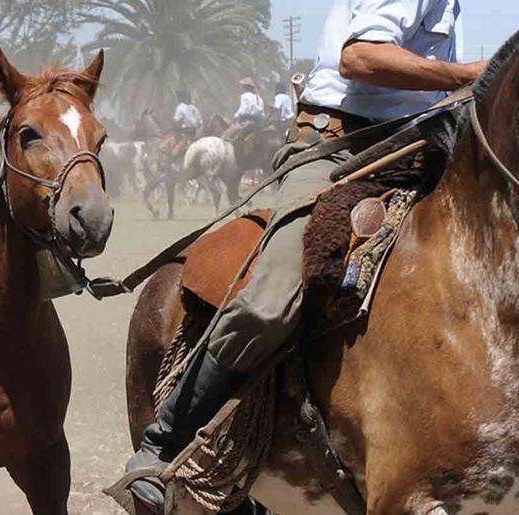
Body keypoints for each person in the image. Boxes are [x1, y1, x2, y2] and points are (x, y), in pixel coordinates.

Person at [123, 0, 486, 510]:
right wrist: (466, 73)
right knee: (271, 301)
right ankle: (163, 443)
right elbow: (359, 58)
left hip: (419, 149)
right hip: (340, 148)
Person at [170, 90, 202, 158]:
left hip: (185, 131)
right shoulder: (191, 108)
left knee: (173, 150)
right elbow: (199, 121)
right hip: (194, 131)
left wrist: (174, 128)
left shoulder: (180, 107)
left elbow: (176, 121)